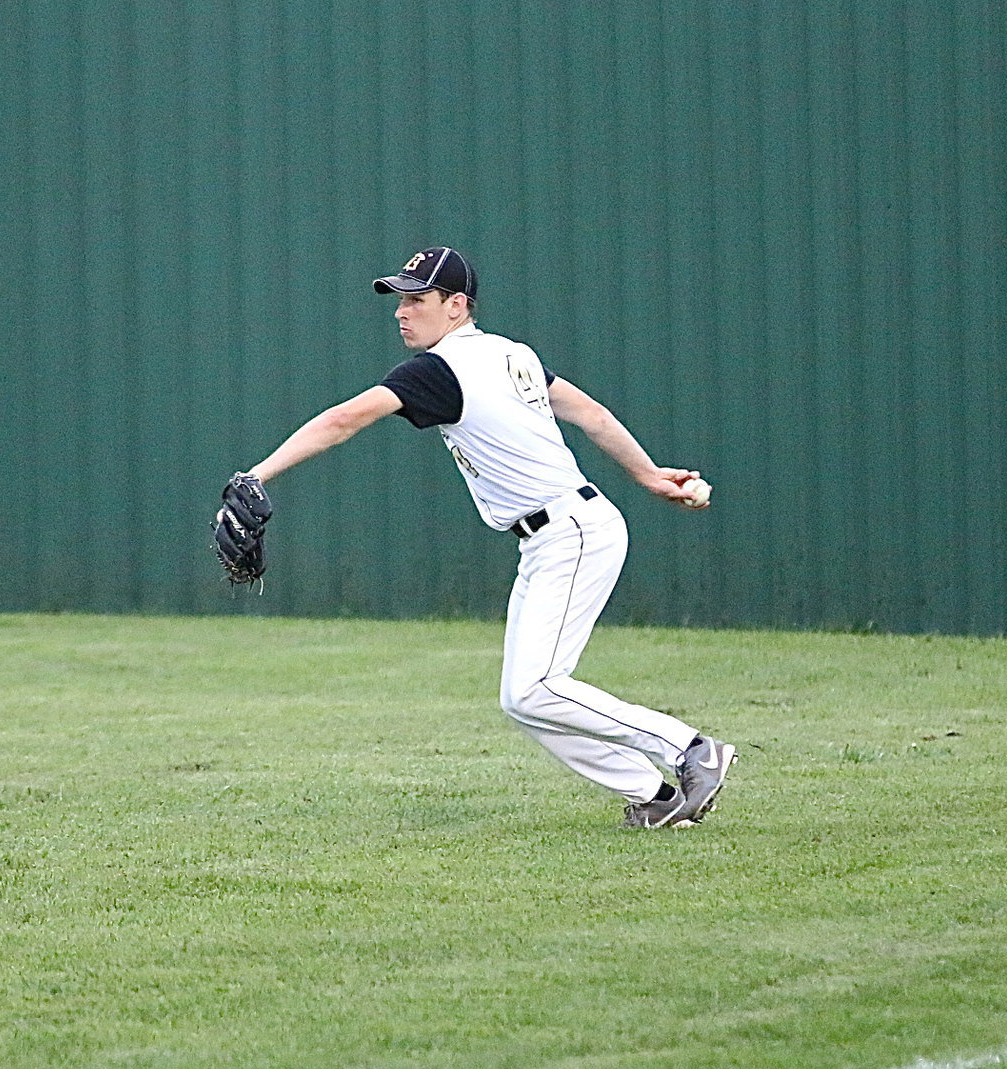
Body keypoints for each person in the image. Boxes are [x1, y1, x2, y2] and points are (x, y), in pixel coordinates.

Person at [240, 247, 736, 827]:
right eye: (400, 298)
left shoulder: (439, 369)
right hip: (557, 534)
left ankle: (690, 750)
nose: (403, 311)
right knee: (523, 699)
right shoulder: (511, 354)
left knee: (537, 689)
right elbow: (592, 414)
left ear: (456, 306)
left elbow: (343, 419)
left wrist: (257, 475)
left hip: (571, 533)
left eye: (417, 299)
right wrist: (647, 474)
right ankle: (655, 797)